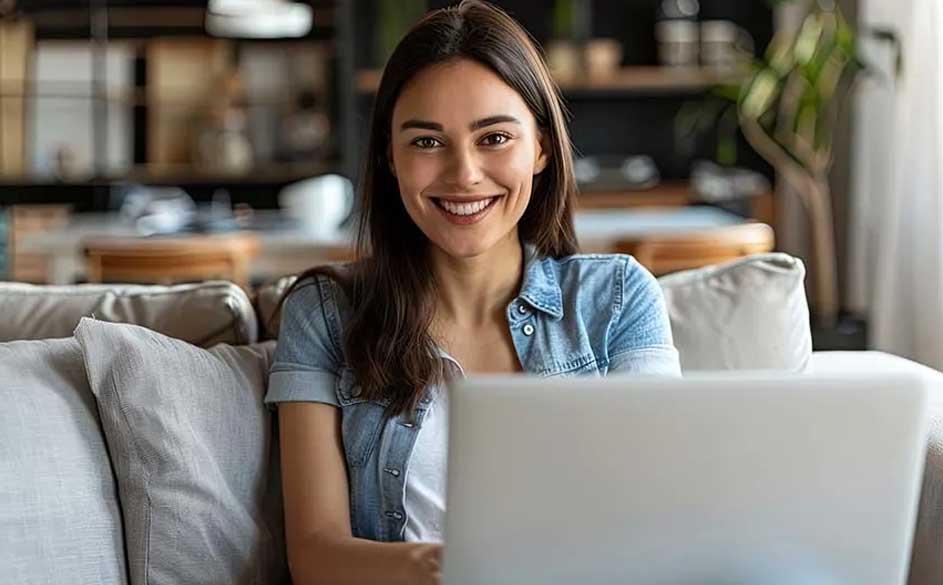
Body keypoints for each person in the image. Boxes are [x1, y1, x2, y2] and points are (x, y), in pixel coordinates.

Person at [265, 2, 681, 584]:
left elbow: (656, 517)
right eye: (427, 142)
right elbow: (315, 553)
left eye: (494, 137)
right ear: (390, 156)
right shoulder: (325, 312)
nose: (463, 174)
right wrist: (453, 570)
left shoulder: (616, 299)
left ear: (540, 147)